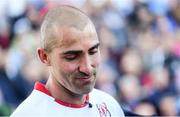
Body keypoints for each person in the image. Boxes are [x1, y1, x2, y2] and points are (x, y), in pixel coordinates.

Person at [10, 5, 125, 117]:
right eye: (72, 57)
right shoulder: (27, 114)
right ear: (44, 57)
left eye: (93, 51)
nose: (87, 68)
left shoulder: (109, 105)